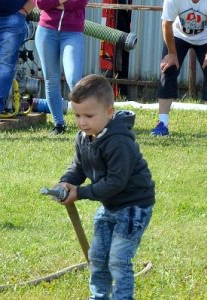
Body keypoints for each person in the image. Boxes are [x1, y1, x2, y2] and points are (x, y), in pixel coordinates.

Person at [56, 74, 155, 299]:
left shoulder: (119, 141)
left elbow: (116, 183)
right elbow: (78, 167)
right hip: (110, 204)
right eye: (77, 115)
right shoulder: (84, 137)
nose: (82, 122)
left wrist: (80, 193)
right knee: (98, 258)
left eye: (89, 116)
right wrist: (67, 182)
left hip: (133, 206)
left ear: (109, 112)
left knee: (118, 260)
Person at [152, 0, 207, 138]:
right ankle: (162, 123)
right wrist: (172, 54)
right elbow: (166, 24)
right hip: (178, 35)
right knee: (168, 69)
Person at [34, 0, 88, 134]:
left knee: (74, 79)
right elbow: (40, 3)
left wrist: (53, 3)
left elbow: (79, 3)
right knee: (51, 80)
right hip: (46, 31)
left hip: (72, 33)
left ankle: (88, 121)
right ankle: (59, 124)